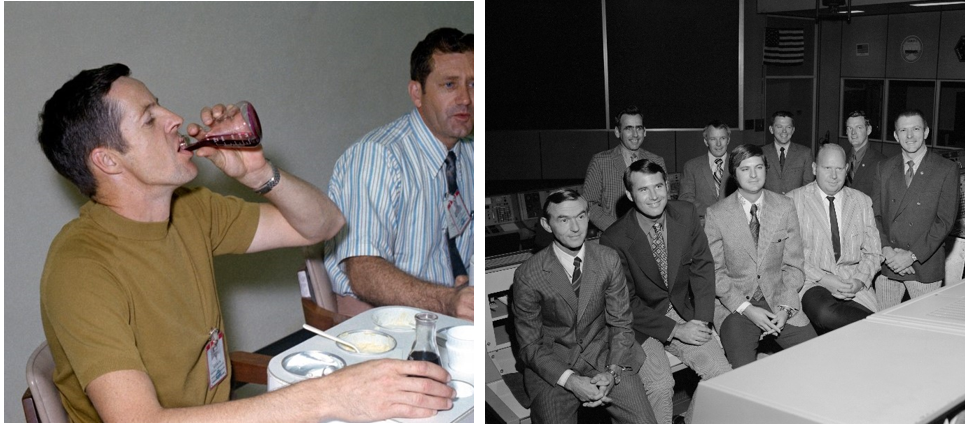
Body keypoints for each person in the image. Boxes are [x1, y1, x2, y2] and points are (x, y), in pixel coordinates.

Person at [37, 64, 456, 422]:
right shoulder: (80, 268)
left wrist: (259, 174)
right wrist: (331, 396)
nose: (174, 118)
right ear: (107, 160)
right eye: (150, 118)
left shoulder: (190, 210)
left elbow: (324, 224)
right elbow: (141, 422)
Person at [324, 28, 473, 320]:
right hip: (382, 323)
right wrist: (447, 301)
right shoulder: (377, 157)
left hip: (451, 316)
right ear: (417, 93)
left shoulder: (469, 153)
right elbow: (364, 271)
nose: (465, 98)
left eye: (473, 84)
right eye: (449, 85)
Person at [601, 160, 732, 423]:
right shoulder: (613, 239)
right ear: (629, 194)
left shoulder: (685, 213)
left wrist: (701, 319)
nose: (654, 196)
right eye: (643, 189)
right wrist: (675, 330)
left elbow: (703, 268)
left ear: (667, 187)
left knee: (721, 374)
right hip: (640, 323)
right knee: (660, 386)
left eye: (659, 186)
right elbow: (625, 304)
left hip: (684, 310)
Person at [511, 190, 655, 424]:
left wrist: (612, 371)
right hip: (554, 368)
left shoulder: (608, 259)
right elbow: (530, 346)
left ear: (589, 216)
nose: (576, 228)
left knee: (645, 422)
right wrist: (570, 380)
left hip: (606, 356)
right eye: (564, 220)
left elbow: (621, 323)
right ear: (547, 225)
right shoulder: (529, 275)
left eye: (580, 217)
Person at [704, 144, 817, 368]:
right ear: (734, 173)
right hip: (735, 305)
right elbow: (715, 274)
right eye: (745, 169)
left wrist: (785, 308)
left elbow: (794, 266)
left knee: (816, 355)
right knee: (744, 374)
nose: (753, 175)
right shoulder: (716, 215)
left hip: (778, 298)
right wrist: (747, 310)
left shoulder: (784, 206)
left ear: (766, 169)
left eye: (758, 167)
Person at [787, 144, 882, 335]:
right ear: (814, 168)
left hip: (852, 282)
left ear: (847, 169)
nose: (833, 175)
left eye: (839, 169)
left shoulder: (862, 201)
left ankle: (877, 329)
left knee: (854, 330)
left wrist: (859, 281)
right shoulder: (793, 201)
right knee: (825, 313)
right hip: (811, 281)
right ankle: (881, 330)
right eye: (827, 168)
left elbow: (873, 252)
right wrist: (824, 279)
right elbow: (788, 255)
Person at [871, 109, 959, 309]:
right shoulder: (883, 168)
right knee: (885, 328)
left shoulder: (946, 169)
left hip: (923, 265)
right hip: (889, 263)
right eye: (903, 130)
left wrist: (910, 256)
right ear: (895, 135)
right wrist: (887, 250)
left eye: (916, 129)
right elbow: (873, 216)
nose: (910, 136)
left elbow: (944, 222)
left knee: (924, 331)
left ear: (926, 132)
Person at [582, 106, 667, 231]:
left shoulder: (657, 161)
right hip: (614, 234)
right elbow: (589, 204)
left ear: (645, 131)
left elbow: (664, 200)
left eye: (639, 128)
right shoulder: (600, 161)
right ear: (617, 132)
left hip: (650, 234)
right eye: (628, 128)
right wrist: (617, 229)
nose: (635, 134)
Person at [679, 121, 737, 223]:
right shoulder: (691, 166)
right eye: (713, 139)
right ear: (706, 141)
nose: (718, 144)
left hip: (734, 223)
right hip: (703, 224)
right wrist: (713, 212)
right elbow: (685, 199)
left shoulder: (739, 164)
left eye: (722, 138)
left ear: (728, 140)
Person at [762, 111, 814, 194]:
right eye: (779, 127)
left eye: (788, 127)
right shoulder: (762, 153)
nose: (784, 131)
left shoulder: (805, 153)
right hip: (769, 204)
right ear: (771, 129)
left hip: (796, 204)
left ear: (793, 130)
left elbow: (808, 185)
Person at [843, 110, 886, 198]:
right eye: (850, 128)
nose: (853, 133)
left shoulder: (881, 163)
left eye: (859, 127)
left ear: (868, 130)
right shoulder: (842, 159)